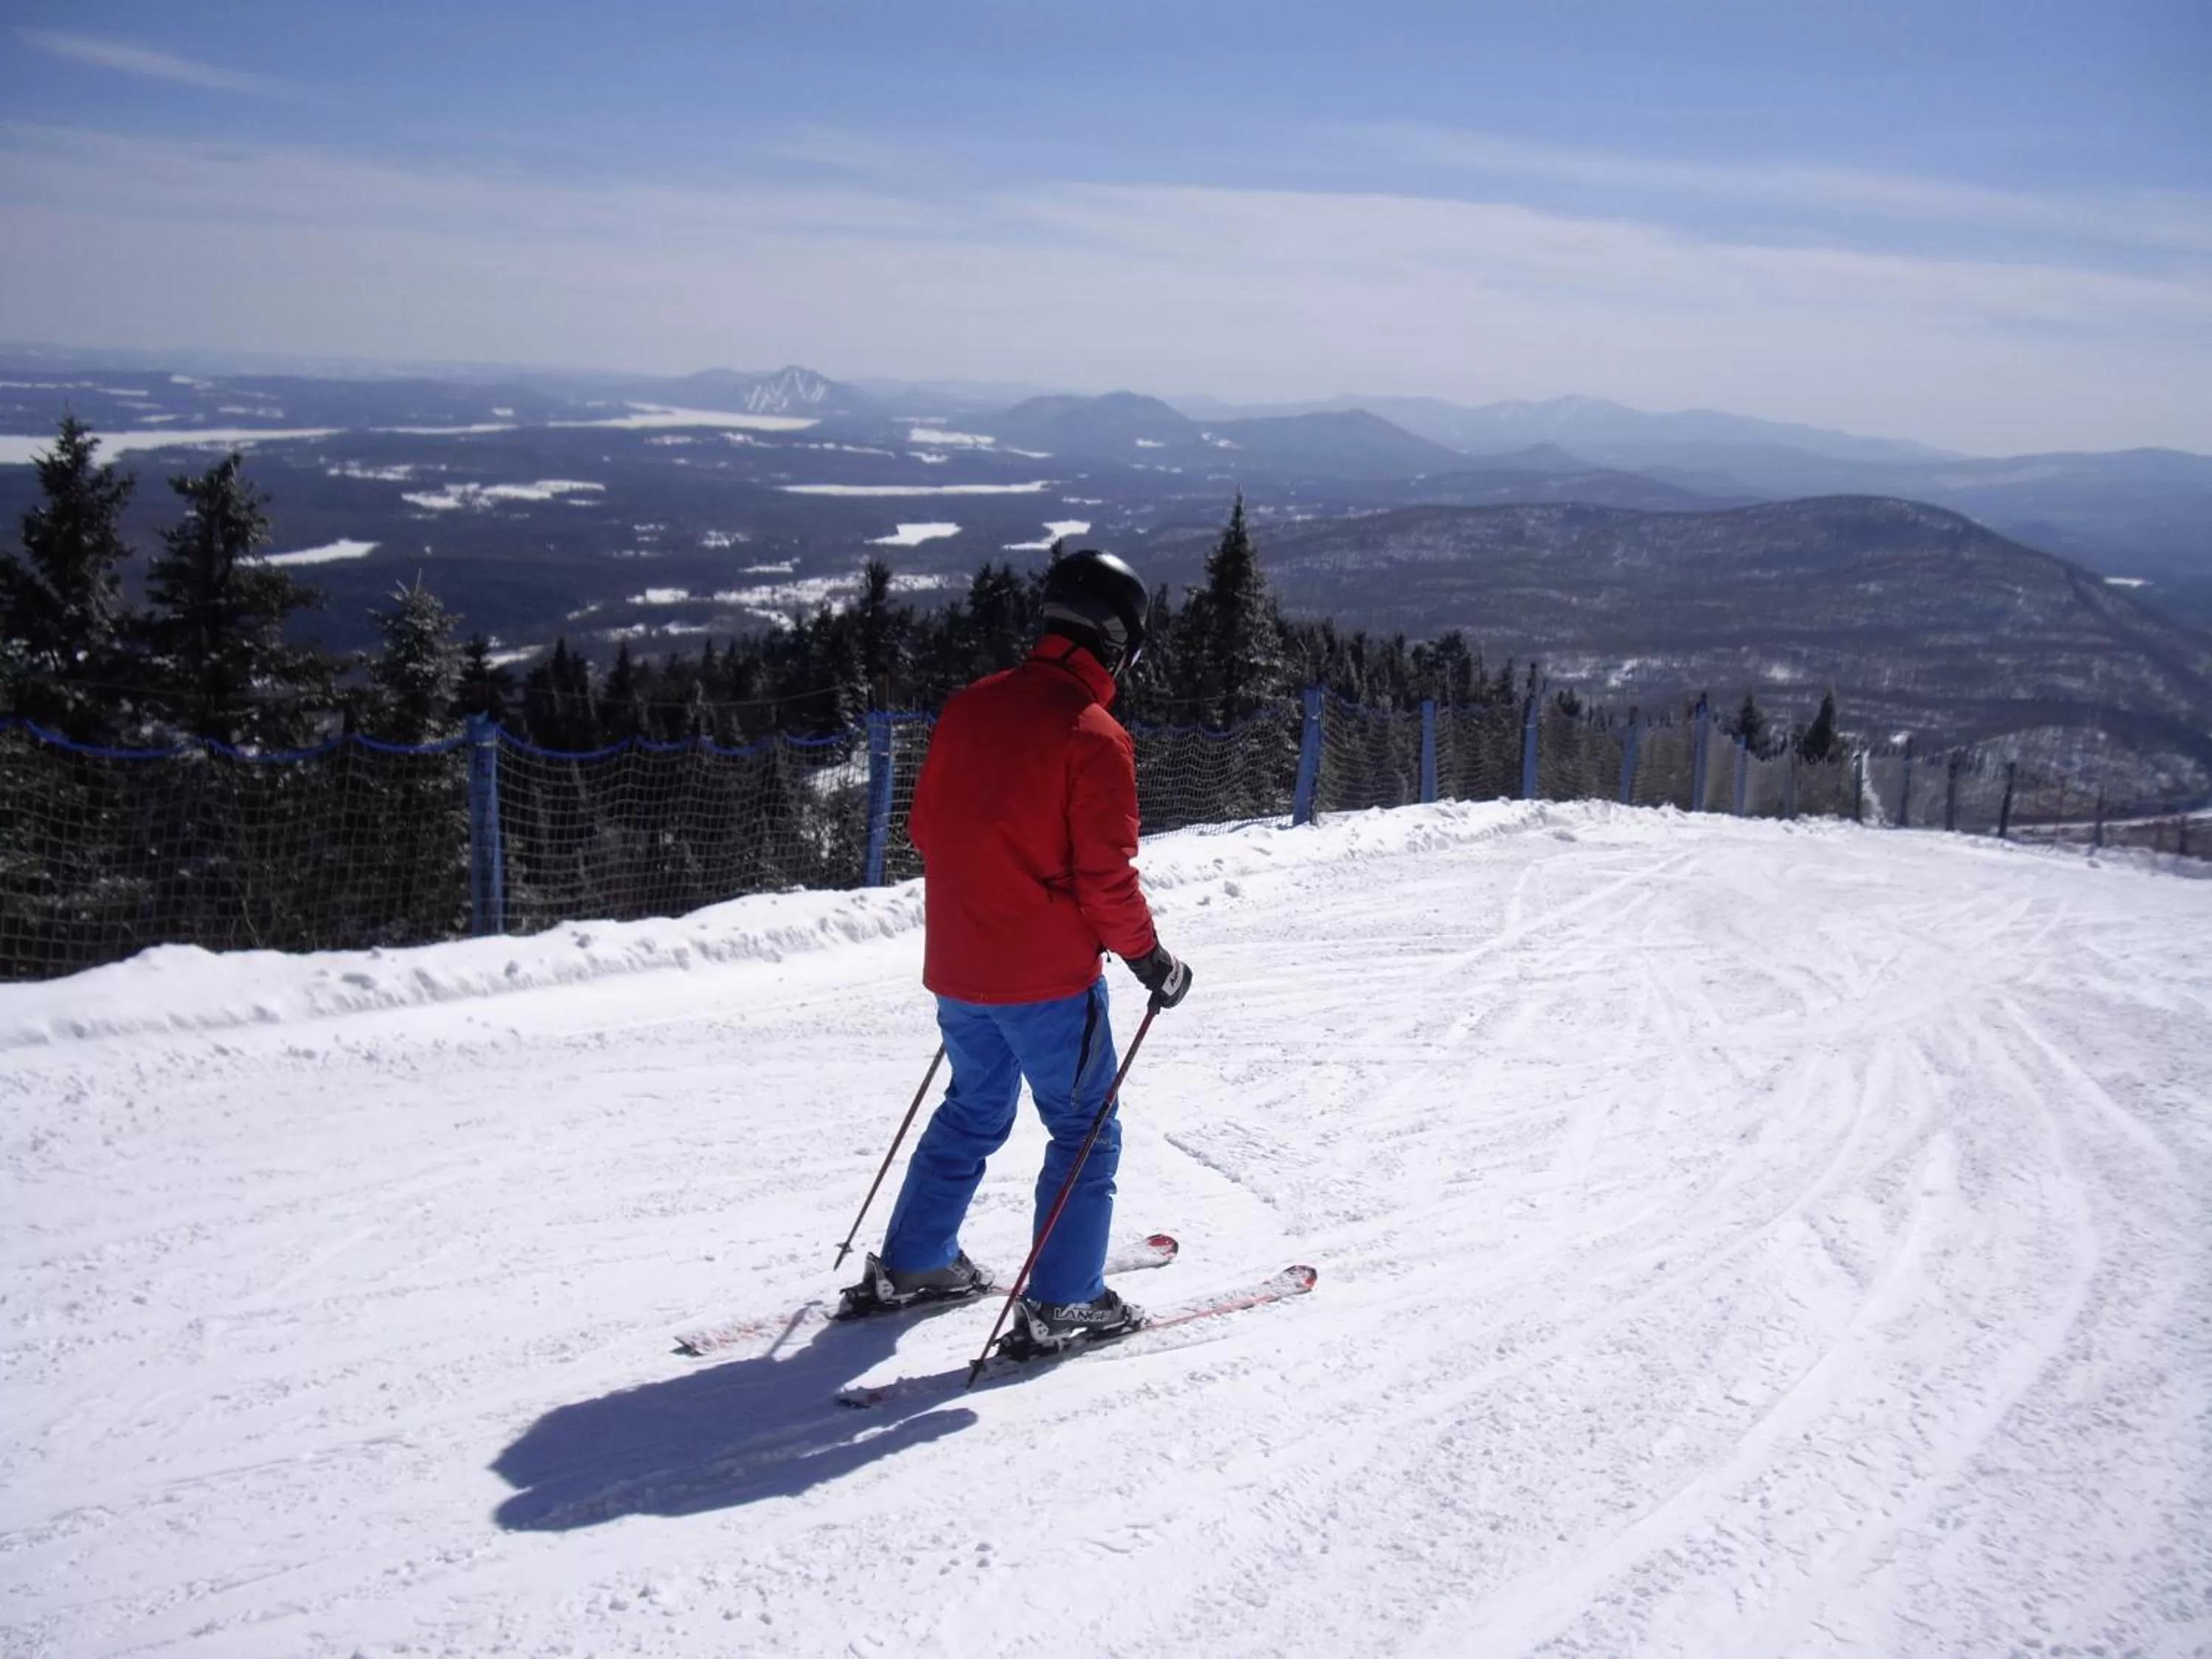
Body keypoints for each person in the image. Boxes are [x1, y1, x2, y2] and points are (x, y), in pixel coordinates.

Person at [840, 548, 1192, 1352]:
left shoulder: (970, 707)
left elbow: (927, 829)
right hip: (1047, 983)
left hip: (960, 970)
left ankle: (916, 1262)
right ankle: (1067, 1300)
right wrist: (1151, 961)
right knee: (1085, 1129)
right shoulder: (1094, 735)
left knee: (973, 1108)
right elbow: (1105, 880)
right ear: (1119, 641)